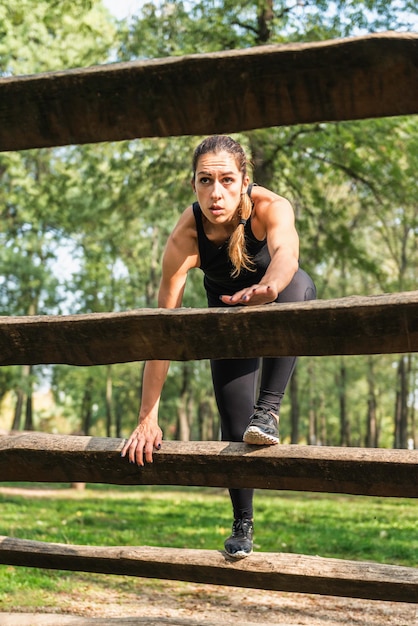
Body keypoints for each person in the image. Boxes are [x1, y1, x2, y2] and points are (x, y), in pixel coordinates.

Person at [121, 134, 316, 559]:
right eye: (205, 181)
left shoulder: (271, 208)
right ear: (193, 185)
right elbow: (163, 330)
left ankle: (269, 410)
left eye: (227, 180)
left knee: (301, 287)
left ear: (245, 181)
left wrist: (269, 288)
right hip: (224, 321)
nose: (216, 192)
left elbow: (288, 255)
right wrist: (146, 417)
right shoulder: (186, 235)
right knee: (233, 426)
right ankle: (242, 523)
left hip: (275, 299)